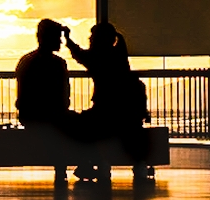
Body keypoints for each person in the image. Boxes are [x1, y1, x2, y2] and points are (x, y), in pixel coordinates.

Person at [64, 23, 152, 181]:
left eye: (92, 36)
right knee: (131, 129)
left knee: (83, 123)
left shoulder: (96, 58)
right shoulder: (119, 56)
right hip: (127, 114)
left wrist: (68, 40)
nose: (89, 39)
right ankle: (139, 164)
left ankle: (94, 163)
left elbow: (78, 54)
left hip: (104, 111)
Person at [15, 19, 72, 130]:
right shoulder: (58, 63)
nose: (60, 41)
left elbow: (24, 97)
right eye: (57, 37)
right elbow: (63, 94)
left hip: (31, 118)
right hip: (54, 118)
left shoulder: (26, 61)